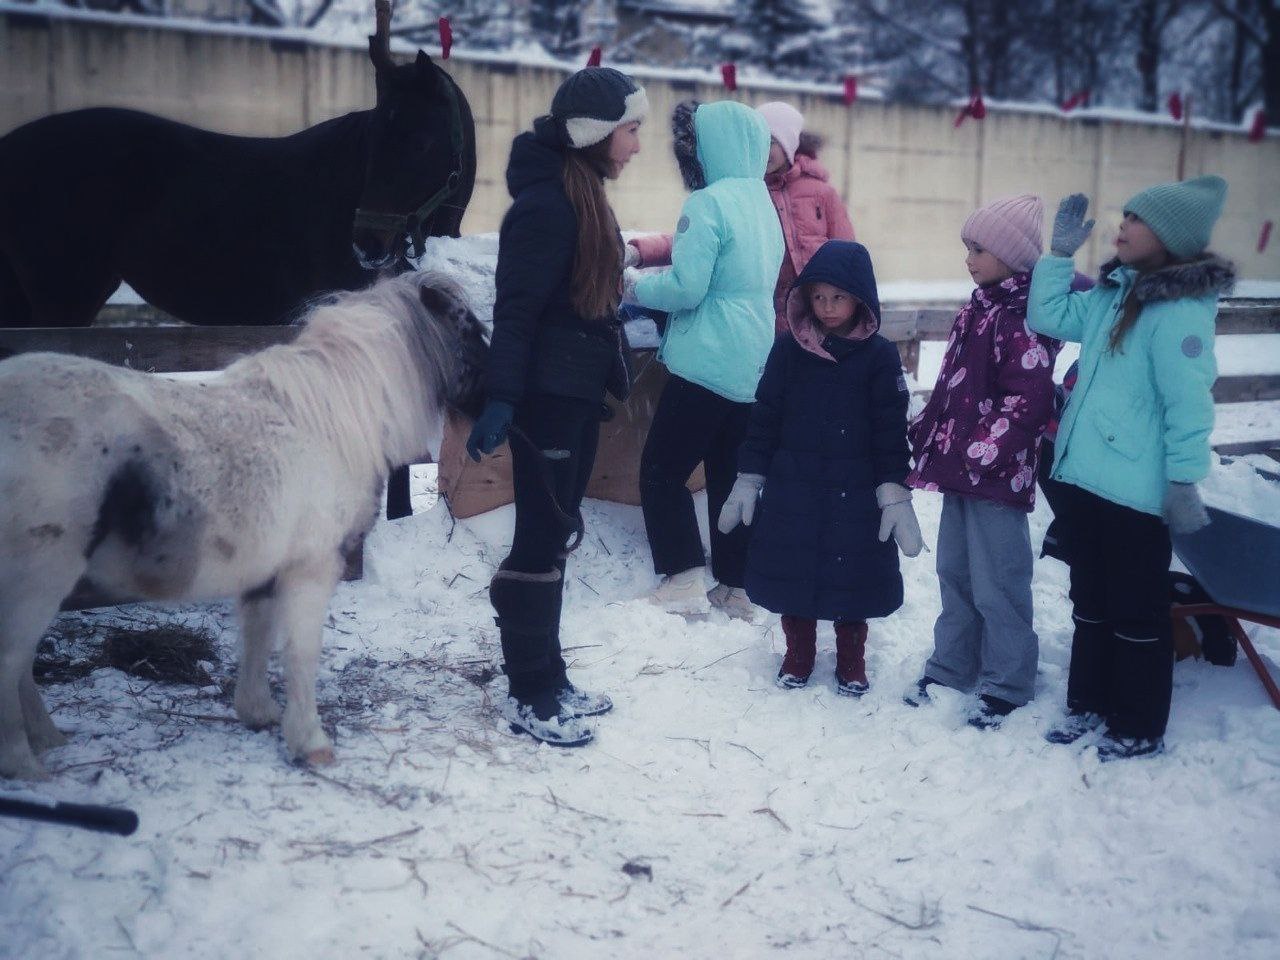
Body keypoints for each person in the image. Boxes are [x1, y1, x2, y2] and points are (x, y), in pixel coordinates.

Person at [465, 67, 648, 747]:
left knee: (556, 536)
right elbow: (514, 312)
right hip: (544, 401)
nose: (635, 145)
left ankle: (551, 674)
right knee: (539, 543)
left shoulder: (581, 193)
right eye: (630, 130)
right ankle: (528, 693)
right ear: (596, 133)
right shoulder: (545, 207)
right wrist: (503, 399)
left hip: (575, 393)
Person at [1028, 177, 1234, 761]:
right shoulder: (1113, 293)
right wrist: (1059, 256)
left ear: (1169, 237)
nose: (1121, 225)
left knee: (1136, 611)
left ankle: (1138, 723)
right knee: (1088, 599)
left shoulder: (1179, 314)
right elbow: (1048, 316)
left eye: (1136, 219)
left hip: (1137, 494)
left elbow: (1189, 403)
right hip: (1086, 478)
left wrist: (1183, 479)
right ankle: (1087, 705)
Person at [718, 241, 922, 694]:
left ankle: (851, 658)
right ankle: (799, 653)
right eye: (818, 297)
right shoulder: (789, 351)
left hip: (857, 490)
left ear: (860, 299)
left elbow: (891, 428)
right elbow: (765, 416)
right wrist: (749, 476)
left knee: (854, 579)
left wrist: (894, 489)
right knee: (797, 575)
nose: (828, 308)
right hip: (797, 490)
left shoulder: (880, 356)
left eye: (839, 297)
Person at [904, 195, 1061, 729]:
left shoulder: (1024, 315)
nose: (969, 259)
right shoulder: (979, 306)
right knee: (955, 571)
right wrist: (930, 428)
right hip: (959, 469)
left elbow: (1031, 399)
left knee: (999, 580)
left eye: (979, 249)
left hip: (995, 473)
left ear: (1013, 255)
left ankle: (1008, 679)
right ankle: (952, 664)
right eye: (967, 248)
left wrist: (986, 448)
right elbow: (954, 385)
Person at [624, 100, 784, 618]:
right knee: (729, 475)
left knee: (661, 470)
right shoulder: (764, 204)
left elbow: (687, 288)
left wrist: (634, 285)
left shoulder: (708, 203)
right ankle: (735, 586)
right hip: (752, 362)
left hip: (706, 360)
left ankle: (683, 576)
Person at [623, 101, 855, 339]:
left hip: (816, 321)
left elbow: (848, 257)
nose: (763, 151)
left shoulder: (821, 194)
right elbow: (697, 242)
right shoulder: (745, 196)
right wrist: (641, 251)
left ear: (789, 144)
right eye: (756, 143)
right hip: (764, 323)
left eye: (771, 142)